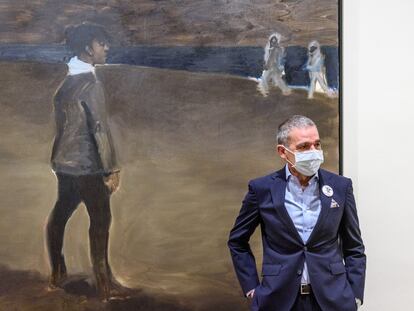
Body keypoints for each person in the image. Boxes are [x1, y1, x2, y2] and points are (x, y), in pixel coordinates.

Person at [228, 115, 366, 311]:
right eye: (303, 146)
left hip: (333, 299)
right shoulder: (262, 189)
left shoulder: (340, 186)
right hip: (277, 299)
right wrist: (252, 287)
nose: (314, 151)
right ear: (282, 152)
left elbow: (354, 247)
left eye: (317, 145)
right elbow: (237, 241)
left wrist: (355, 294)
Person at [47, 22, 124, 300]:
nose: (106, 48)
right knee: (101, 219)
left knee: (60, 214)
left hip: (64, 163)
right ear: (88, 49)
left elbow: (63, 129)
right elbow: (99, 129)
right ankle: (105, 285)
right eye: (101, 43)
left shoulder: (65, 85)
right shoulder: (90, 84)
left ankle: (57, 271)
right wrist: (111, 168)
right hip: (89, 166)